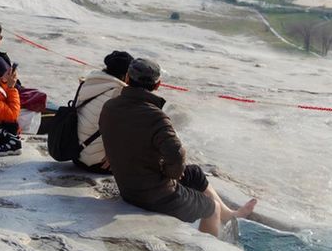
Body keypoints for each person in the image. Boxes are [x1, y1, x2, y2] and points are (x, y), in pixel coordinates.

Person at [100, 59, 257, 237]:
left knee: (195, 173)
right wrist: (172, 173)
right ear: (158, 85)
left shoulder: (109, 107)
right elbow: (176, 154)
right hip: (153, 195)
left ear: (127, 78)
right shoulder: (156, 117)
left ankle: (230, 215)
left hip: (129, 185)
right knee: (210, 207)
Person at [68, 51, 134, 173]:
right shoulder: (119, 93)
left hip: (76, 155)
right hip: (100, 164)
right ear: (127, 74)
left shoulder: (87, 83)